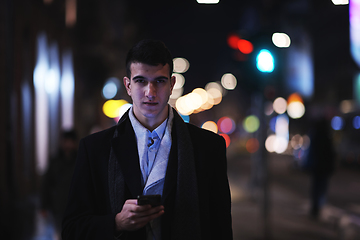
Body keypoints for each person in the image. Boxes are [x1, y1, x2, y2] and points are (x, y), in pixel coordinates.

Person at [62, 39, 233, 240]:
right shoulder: (94, 149)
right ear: (128, 85)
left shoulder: (208, 147)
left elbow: (221, 229)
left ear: (171, 85)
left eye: (159, 81)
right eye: (141, 81)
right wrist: (116, 223)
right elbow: (71, 230)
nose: (150, 92)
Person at [41, 129, 78, 236]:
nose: (68, 144)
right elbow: (46, 184)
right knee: (59, 232)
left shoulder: (79, 158)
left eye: (70, 141)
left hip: (75, 205)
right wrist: (44, 206)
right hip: (58, 205)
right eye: (66, 141)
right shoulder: (55, 161)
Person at [306, 117, 336, 218]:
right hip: (323, 168)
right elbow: (331, 154)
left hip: (317, 167)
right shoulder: (327, 137)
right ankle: (317, 208)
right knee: (321, 188)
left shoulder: (316, 136)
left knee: (316, 188)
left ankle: (315, 209)